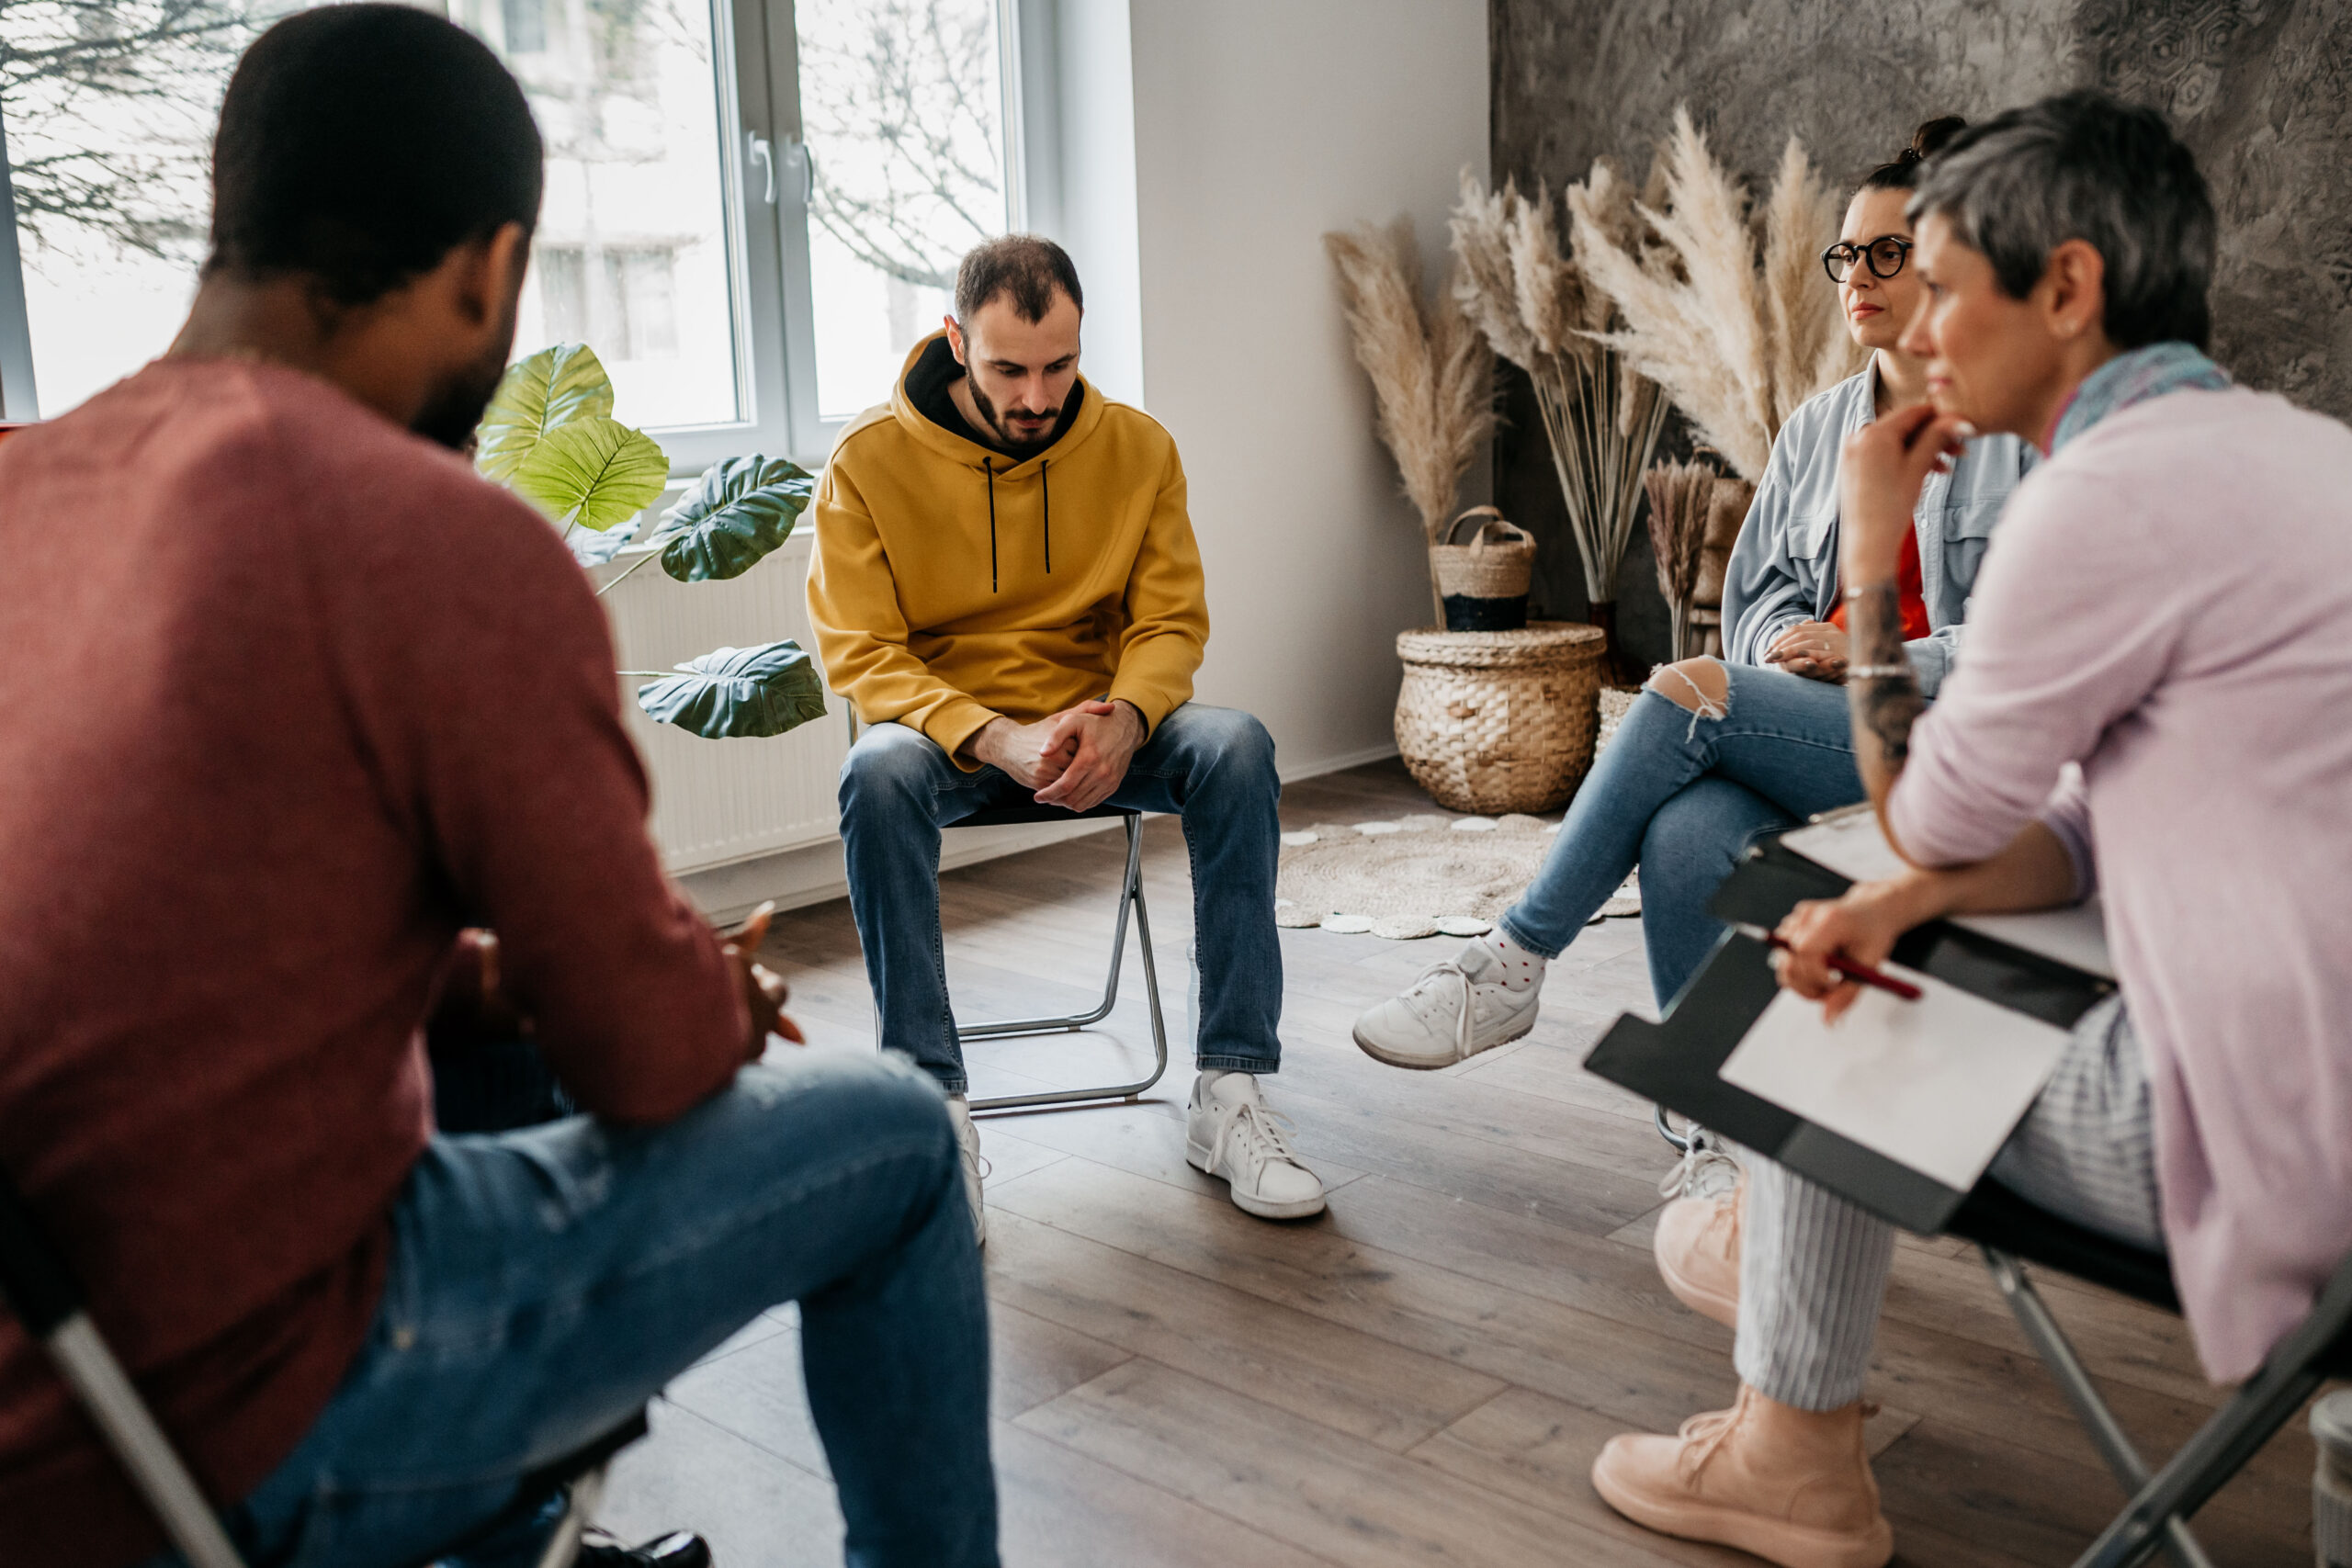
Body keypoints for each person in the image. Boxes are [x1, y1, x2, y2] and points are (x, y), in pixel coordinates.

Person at [0, 11, 998, 1567]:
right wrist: (703, 1005)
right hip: (236, 1417)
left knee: (486, 1057)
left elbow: (154, 950)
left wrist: (485, 987)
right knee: (894, 1136)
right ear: (492, 267)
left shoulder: (26, 488)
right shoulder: (426, 534)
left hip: (41, 1390)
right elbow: (648, 1058)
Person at [1592, 92, 2352, 1568]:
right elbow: (2086, 803)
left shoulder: (2098, 498)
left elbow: (1924, 806)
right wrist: (1900, 895)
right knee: (1866, 911)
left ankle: (1791, 1457)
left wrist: (1872, 562)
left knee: (1809, 985)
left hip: (2294, 1144)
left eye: (1943, 285)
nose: (1917, 330)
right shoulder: (2310, 456)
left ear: (2067, 287)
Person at [1349, 118, 2030, 1066]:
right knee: (1682, 831)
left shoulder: (2020, 431)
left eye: (1886, 252)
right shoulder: (1814, 430)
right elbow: (1755, 601)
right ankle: (1706, 1128)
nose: (1855, 278)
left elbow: (2032, 644)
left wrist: (1868, 654)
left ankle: (1514, 957)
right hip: (1812, 726)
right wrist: (1795, 644)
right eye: (1846, 255)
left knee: (1686, 692)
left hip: (1940, 748)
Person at [807, 236, 1324, 1238]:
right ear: (956, 342)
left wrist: (1127, 719)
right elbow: (861, 654)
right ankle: (932, 1113)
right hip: (952, 748)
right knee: (873, 773)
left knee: (1237, 745)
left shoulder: (1138, 449)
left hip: (1101, 733)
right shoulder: (867, 463)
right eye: (1008, 368)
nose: (1037, 394)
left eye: (1060, 365)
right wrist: (991, 736)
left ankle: (1230, 1093)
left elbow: (1170, 622)